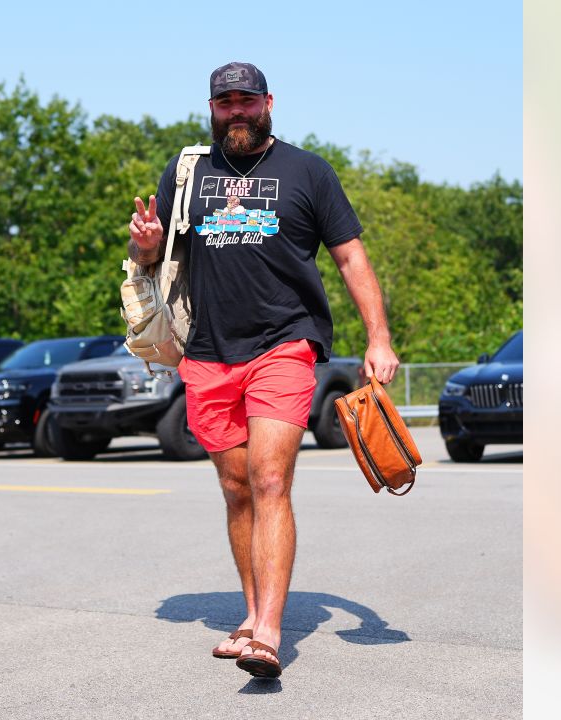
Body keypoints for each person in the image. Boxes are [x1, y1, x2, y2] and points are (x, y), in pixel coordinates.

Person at [126, 61, 399, 679]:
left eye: (247, 100)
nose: (236, 111)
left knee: (271, 480)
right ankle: (250, 617)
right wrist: (143, 242)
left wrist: (377, 337)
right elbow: (151, 255)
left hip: (284, 344)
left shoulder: (308, 172)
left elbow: (351, 257)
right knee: (236, 487)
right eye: (225, 102)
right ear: (212, 107)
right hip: (207, 351)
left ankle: (269, 634)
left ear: (269, 102)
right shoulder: (188, 172)